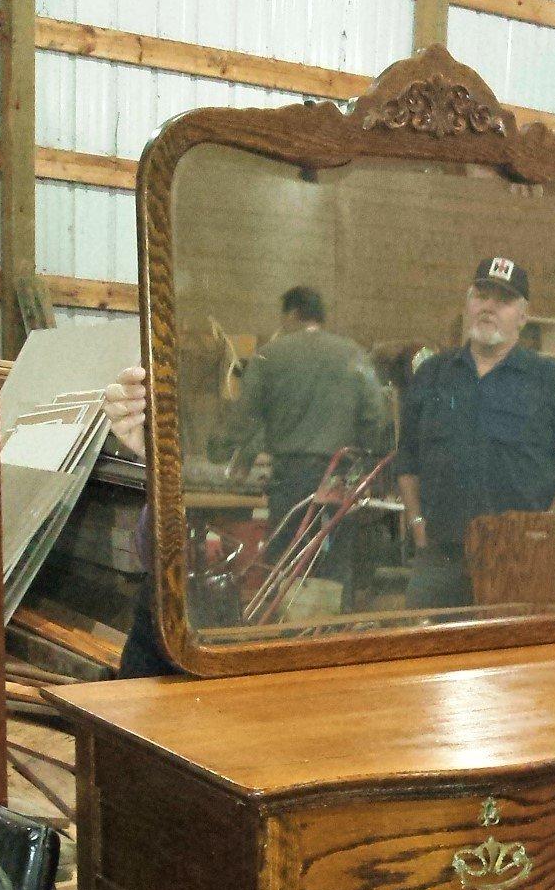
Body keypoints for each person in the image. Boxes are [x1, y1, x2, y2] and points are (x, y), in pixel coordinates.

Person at [103, 286, 389, 677]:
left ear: (290, 316)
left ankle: (283, 660)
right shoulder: (353, 354)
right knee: (335, 571)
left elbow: (247, 419)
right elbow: (376, 417)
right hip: (342, 475)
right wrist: (361, 461)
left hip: (292, 477)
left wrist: (221, 454)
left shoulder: (275, 355)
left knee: (285, 567)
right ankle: (325, 661)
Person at [395, 257, 555, 610]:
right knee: (422, 654)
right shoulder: (433, 375)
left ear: (523, 315)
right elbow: (407, 460)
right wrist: (418, 524)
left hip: (518, 558)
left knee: (514, 660)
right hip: (440, 556)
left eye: (502, 300)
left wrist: (539, 537)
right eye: (480, 296)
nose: (488, 307)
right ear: (467, 305)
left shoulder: (551, 382)